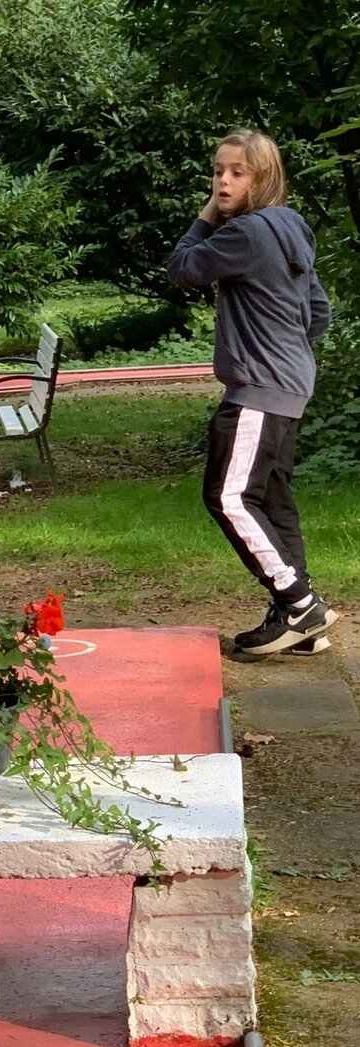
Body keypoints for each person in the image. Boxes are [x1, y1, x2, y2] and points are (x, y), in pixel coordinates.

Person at [168, 128, 338, 656]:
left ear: (262, 179)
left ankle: (298, 602)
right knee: (272, 498)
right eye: (218, 171)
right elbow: (318, 313)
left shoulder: (244, 233)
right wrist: (283, 343)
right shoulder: (291, 227)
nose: (222, 181)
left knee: (228, 495)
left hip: (259, 389)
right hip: (290, 384)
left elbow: (182, 269)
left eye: (237, 173)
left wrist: (205, 216)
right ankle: (301, 624)